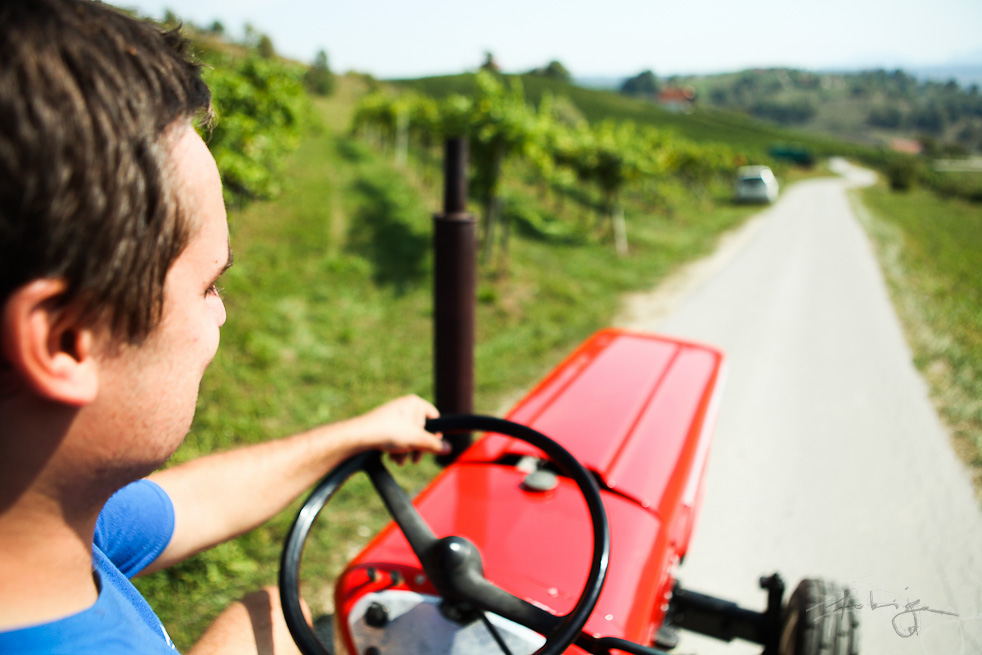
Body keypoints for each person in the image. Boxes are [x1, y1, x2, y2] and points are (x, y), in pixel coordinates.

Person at [0, 1, 448, 653]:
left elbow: (186, 504)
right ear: (66, 340)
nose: (221, 312)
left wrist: (359, 433)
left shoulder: (38, 505)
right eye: (207, 284)